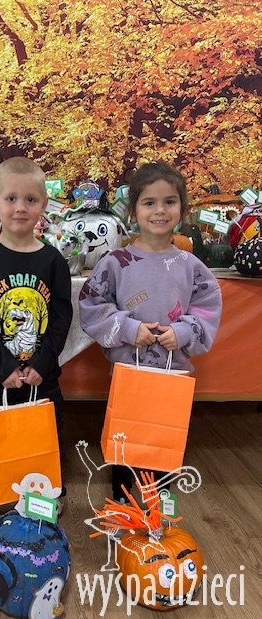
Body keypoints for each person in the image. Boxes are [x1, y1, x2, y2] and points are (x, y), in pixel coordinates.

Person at [79, 160, 222, 503]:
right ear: (133, 211)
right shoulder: (115, 263)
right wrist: (129, 328)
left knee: (164, 440)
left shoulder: (191, 266)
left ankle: (160, 503)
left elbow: (207, 308)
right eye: (149, 202)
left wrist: (184, 332)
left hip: (173, 374)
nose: (160, 210)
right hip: (128, 373)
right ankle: (121, 500)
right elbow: (92, 306)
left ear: (182, 209)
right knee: (125, 438)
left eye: (169, 201)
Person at [0, 156, 73, 535]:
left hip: (43, 378)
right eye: (11, 199)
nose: (20, 208)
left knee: (44, 438)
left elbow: (60, 318)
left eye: (30, 199)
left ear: (44, 205)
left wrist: (42, 363)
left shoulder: (53, 261)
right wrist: (3, 366)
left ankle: (45, 494)